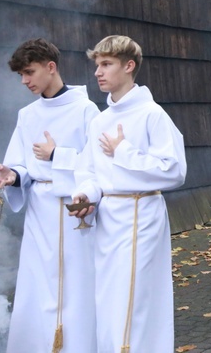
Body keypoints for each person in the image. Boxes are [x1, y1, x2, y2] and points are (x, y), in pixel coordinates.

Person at [70, 35, 187, 353]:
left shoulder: (152, 114)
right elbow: (90, 171)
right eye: (97, 65)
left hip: (141, 215)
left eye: (106, 64)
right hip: (108, 219)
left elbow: (174, 170)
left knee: (135, 299)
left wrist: (123, 151)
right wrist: (85, 195)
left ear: (129, 66)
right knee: (108, 299)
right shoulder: (100, 121)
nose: (98, 72)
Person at [0, 38, 99, 353]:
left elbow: (96, 166)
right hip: (39, 213)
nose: (25, 81)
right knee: (37, 284)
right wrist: (13, 176)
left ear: (50, 67)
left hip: (73, 212)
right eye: (21, 76)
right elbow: (22, 165)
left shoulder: (85, 110)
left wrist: (57, 156)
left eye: (30, 72)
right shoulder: (27, 115)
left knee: (74, 287)